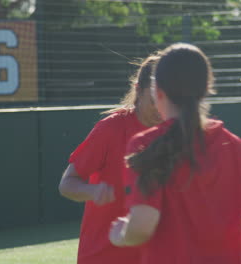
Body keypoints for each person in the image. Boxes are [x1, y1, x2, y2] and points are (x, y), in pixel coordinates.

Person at [109, 43, 241, 264]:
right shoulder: (234, 145)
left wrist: (120, 234)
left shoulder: (145, 143)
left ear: (158, 92)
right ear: (206, 89)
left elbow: (142, 226)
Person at [58, 55, 162, 264]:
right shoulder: (111, 128)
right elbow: (66, 184)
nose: (161, 108)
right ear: (138, 89)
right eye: (154, 100)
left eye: (167, 99)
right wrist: (92, 191)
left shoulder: (175, 132)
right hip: (103, 256)